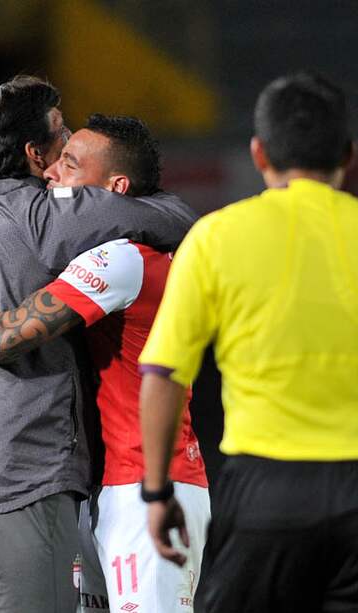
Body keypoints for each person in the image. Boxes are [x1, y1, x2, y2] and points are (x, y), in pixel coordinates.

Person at [0, 76, 196, 612]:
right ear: (35, 154)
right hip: (22, 490)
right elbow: (177, 218)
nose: (68, 142)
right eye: (61, 134)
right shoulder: (53, 219)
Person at [138, 72, 358, 612]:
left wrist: (157, 492)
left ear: (259, 153)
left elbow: (164, 375)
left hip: (265, 492)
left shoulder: (216, 237)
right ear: (348, 155)